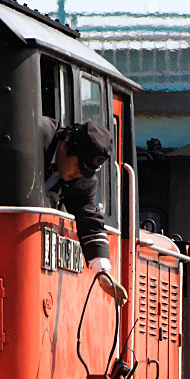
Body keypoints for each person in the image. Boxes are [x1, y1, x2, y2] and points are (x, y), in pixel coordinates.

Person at [42, 117, 127, 304]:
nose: (79, 175)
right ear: (64, 145)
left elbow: (89, 219)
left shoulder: (83, 182)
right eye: (78, 167)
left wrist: (103, 271)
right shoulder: (37, 135)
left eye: (86, 172)